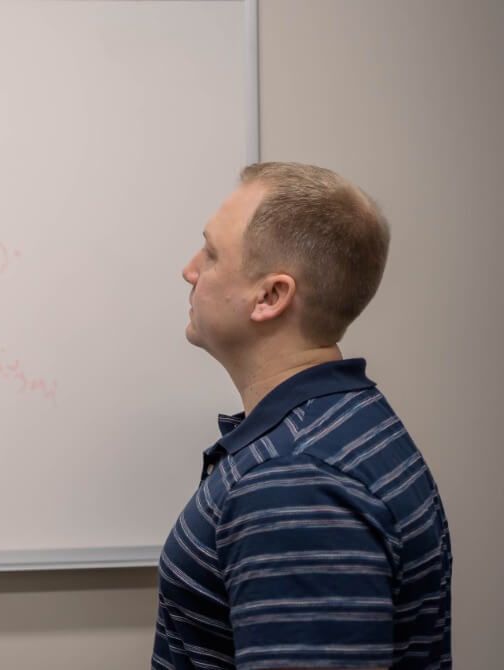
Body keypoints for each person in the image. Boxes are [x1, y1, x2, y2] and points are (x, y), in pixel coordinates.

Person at [152, 163, 452, 669]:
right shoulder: (342, 423)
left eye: (211, 253)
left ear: (271, 296)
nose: (190, 269)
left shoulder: (295, 480)